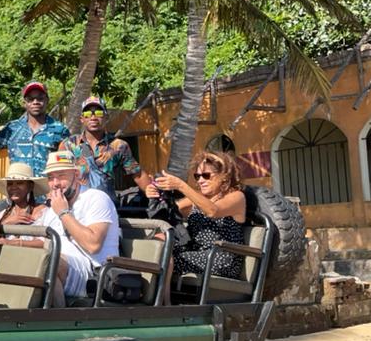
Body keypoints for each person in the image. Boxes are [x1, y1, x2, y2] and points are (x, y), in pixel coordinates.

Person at [152, 151, 248, 280]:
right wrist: (156, 194)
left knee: (163, 259)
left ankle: (164, 300)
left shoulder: (236, 196)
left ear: (224, 177)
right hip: (195, 251)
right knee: (157, 246)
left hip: (220, 257)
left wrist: (181, 185)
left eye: (206, 175)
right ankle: (158, 298)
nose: (201, 180)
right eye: (197, 176)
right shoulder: (198, 197)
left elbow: (213, 211)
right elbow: (171, 211)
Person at [40, 150, 120, 303]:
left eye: (61, 175)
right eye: (50, 178)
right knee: (31, 259)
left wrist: (63, 213)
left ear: (76, 175)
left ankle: (59, 320)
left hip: (94, 275)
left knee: (48, 262)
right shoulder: (53, 207)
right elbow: (41, 242)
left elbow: (93, 245)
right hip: (65, 267)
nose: (55, 183)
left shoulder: (96, 198)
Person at [60, 95, 157, 199]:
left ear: (106, 117)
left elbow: (137, 174)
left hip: (107, 206)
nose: (93, 117)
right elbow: (58, 175)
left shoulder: (118, 145)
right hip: (78, 206)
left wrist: (150, 190)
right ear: (82, 119)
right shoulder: (68, 145)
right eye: (88, 114)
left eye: (98, 113)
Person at [0, 80, 70, 177]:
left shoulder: (60, 130)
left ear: (47, 100)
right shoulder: (13, 128)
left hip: (48, 190)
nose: (35, 102)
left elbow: (66, 164)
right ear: (24, 103)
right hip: (18, 190)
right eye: (30, 99)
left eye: (40, 98)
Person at [0, 161, 49, 242]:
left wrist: (14, 243)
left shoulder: (43, 212)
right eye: (10, 184)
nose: (14, 187)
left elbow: (45, 242)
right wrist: (6, 223)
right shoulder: (2, 215)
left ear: (30, 186)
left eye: (19, 183)